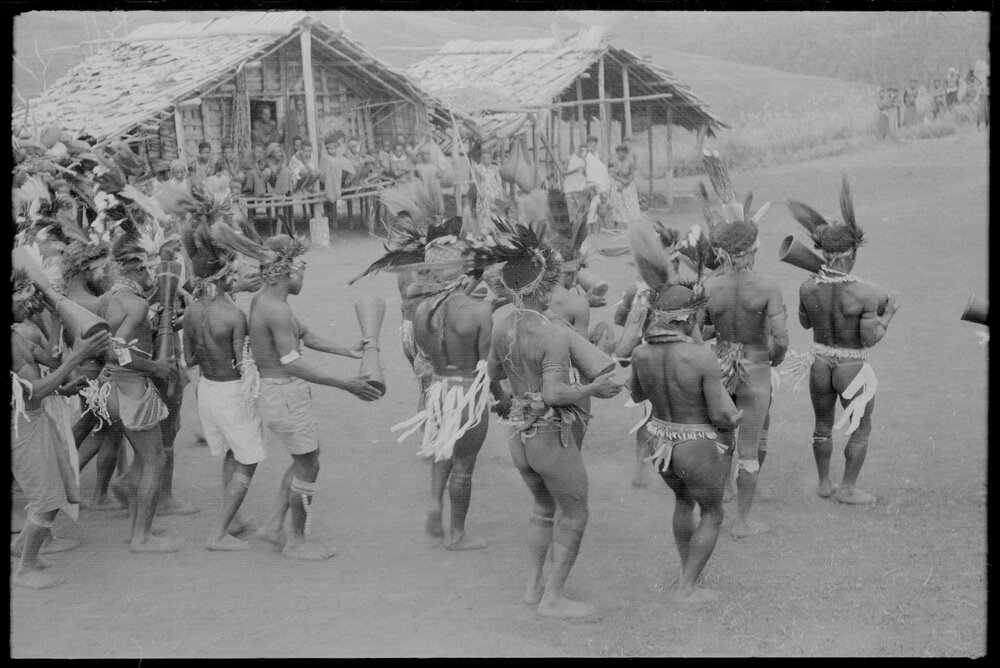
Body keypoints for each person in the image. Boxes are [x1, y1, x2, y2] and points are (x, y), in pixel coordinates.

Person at [485, 220, 623, 618]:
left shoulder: (503, 326)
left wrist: (512, 402)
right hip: (549, 437)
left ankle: (534, 588)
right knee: (576, 512)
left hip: (519, 438)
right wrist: (593, 391)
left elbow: (493, 375)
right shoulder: (553, 334)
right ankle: (554, 599)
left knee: (543, 508)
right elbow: (555, 395)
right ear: (544, 287)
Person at [248, 235, 382, 560]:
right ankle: (296, 541)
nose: (304, 277)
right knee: (309, 465)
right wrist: (344, 383)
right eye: (302, 270)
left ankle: (273, 524)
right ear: (286, 273)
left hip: (280, 392)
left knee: (306, 457)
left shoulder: (267, 301)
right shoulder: (275, 309)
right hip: (283, 393)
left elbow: (302, 332)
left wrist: (346, 351)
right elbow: (291, 360)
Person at [787, 177, 899, 505]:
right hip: (852, 366)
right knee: (860, 429)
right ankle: (848, 489)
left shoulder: (808, 287)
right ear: (850, 255)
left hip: (820, 363)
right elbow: (871, 339)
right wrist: (889, 314)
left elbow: (805, 322)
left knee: (822, 425)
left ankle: (824, 483)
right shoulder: (866, 293)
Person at [630, 284, 742, 603]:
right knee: (712, 513)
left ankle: (687, 573)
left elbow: (637, 395)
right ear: (689, 316)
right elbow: (721, 412)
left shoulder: (641, 352)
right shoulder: (701, 356)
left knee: (683, 502)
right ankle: (687, 588)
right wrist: (733, 420)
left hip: (660, 439)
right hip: (695, 443)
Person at [386, 228, 494, 549]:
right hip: (467, 395)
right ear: (462, 269)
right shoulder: (479, 311)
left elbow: (424, 351)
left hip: (438, 389)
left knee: (441, 449)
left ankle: (435, 504)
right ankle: (457, 535)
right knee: (464, 465)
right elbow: (485, 363)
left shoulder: (421, 311)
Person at [11, 269, 110, 588]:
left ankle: (23, 550)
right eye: (23, 300)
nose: (29, 307)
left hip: (35, 420)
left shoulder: (17, 335)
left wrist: (63, 386)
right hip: (22, 427)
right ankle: (25, 569)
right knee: (47, 499)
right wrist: (78, 357)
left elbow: (48, 366)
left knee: (57, 490)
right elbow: (33, 392)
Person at [702, 187, 786, 538]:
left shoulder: (709, 285)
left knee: (723, 442)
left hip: (719, 370)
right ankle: (742, 523)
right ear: (753, 250)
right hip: (756, 370)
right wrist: (771, 361)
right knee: (749, 448)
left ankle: (723, 498)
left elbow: (696, 334)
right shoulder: (767, 286)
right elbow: (780, 340)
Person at [97, 234, 181, 552]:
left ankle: (136, 527)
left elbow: (119, 341)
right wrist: (156, 368)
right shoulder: (137, 303)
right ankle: (141, 538)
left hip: (115, 389)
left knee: (144, 459)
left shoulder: (110, 297)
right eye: (148, 269)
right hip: (132, 389)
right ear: (137, 268)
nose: (152, 276)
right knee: (154, 460)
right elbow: (113, 353)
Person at [183, 258, 267, 551]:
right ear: (219, 280)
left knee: (233, 451)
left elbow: (190, 360)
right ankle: (218, 532)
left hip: (206, 389)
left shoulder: (190, 311)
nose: (234, 278)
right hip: (231, 392)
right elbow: (243, 363)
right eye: (230, 275)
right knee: (249, 459)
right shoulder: (234, 315)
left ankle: (231, 519)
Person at [472, 146, 504, 235]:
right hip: (484, 193)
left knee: (495, 209)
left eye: (488, 157)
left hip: (494, 193)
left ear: (491, 158)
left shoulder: (495, 168)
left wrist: (500, 192)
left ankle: (496, 227)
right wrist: (479, 192)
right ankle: (485, 228)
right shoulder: (478, 168)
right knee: (484, 210)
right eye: (484, 157)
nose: (486, 159)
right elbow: (477, 182)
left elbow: (499, 180)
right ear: (482, 158)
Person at [609, 144, 642, 228]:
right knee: (617, 204)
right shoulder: (617, 161)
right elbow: (613, 175)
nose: (619, 156)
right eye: (617, 154)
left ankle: (632, 225)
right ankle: (618, 223)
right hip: (618, 183)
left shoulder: (630, 161)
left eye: (620, 154)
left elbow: (631, 175)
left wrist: (625, 183)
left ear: (625, 153)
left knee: (629, 205)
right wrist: (619, 181)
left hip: (628, 185)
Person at [583, 136, 610, 230]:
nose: (592, 145)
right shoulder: (585, 155)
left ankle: (599, 226)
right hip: (590, 184)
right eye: (590, 143)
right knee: (591, 207)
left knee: (601, 206)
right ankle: (590, 227)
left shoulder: (596, 155)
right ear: (587, 143)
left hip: (600, 185)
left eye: (594, 144)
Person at [563, 144, 590, 224]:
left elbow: (586, 175)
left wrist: (583, 171)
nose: (584, 153)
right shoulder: (570, 158)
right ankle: (571, 229)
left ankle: (578, 230)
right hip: (570, 188)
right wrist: (576, 170)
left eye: (585, 151)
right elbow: (563, 172)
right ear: (579, 150)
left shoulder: (584, 161)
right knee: (570, 211)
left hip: (580, 188)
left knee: (579, 210)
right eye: (582, 151)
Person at [414, 144, 445, 213]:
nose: (425, 155)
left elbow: (440, 177)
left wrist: (440, 173)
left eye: (427, 153)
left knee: (436, 206)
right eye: (423, 153)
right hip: (424, 190)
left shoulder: (434, 166)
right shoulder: (418, 167)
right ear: (420, 155)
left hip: (434, 191)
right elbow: (418, 179)